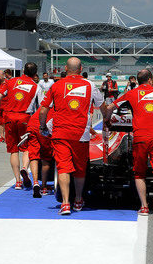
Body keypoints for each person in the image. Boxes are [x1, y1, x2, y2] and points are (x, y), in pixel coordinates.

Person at [39, 57, 107, 215]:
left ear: (65, 68)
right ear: (81, 68)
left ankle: (65, 204)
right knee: (79, 169)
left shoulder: (56, 85)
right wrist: (107, 120)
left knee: (63, 167)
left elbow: (43, 110)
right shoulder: (89, 85)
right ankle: (77, 200)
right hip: (81, 134)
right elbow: (102, 106)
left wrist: (43, 126)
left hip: (60, 132)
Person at [104, 69, 153, 218]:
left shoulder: (131, 93)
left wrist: (107, 122)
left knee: (139, 172)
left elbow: (110, 107)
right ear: (151, 79)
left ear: (137, 80)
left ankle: (144, 206)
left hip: (140, 137)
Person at [0, 63, 40, 189]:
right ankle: (25, 168)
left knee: (13, 150)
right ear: (35, 74)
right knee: (27, 148)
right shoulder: (36, 87)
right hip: (25, 118)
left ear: (23, 70)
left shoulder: (11, 81)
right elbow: (41, 107)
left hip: (9, 117)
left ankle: (18, 181)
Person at [26, 106, 54, 198]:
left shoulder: (46, 99)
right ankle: (44, 187)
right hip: (44, 126)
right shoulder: (62, 103)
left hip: (32, 123)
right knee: (46, 159)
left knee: (34, 155)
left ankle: (35, 182)